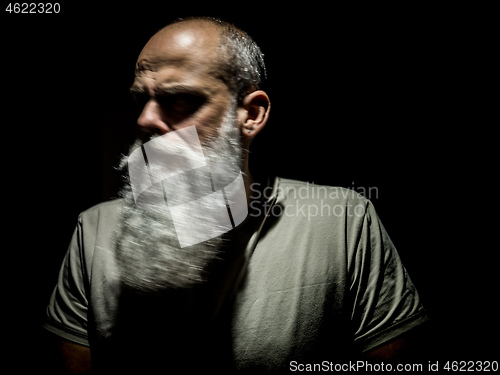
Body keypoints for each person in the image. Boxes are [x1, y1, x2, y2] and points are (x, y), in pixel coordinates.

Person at [43, 17, 429, 374]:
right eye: (140, 99)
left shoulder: (342, 221)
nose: (144, 119)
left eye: (180, 99)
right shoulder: (94, 231)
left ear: (251, 114)